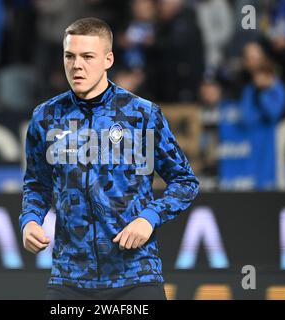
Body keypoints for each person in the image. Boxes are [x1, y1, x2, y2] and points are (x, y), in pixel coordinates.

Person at [19, 17, 199, 300]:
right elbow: (37, 185)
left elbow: (185, 181)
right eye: (70, 56)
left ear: (108, 59)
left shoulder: (142, 115)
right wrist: (30, 220)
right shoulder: (46, 117)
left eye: (87, 56)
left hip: (136, 276)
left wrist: (149, 218)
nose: (77, 65)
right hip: (69, 278)